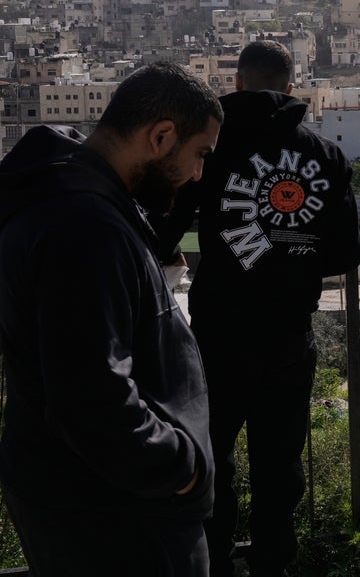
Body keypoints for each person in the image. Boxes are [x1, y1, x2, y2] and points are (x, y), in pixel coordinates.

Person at [0, 62, 222, 575]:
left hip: (100, 503)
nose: (198, 174)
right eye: (200, 154)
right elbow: (91, 400)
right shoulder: (84, 227)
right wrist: (182, 468)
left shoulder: (79, 205)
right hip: (117, 517)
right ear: (162, 136)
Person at [159, 39, 360, 577]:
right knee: (280, 464)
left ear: (239, 84)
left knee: (212, 459)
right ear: (292, 86)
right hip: (289, 336)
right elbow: (347, 252)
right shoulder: (326, 155)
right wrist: (293, 260)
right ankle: (274, 564)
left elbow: (165, 225)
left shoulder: (210, 150)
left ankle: (215, 564)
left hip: (218, 333)